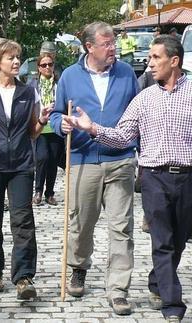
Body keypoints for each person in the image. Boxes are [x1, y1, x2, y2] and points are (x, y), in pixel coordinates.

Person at [63, 35, 192, 322]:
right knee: (162, 242)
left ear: (174, 61)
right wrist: (92, 129)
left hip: (189, 178)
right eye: (150, 58)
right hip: (153, 178)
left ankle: (158, 282)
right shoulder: (143, 99)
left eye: (155, 58)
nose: (150, 63)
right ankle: (172, 305)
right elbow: (122, 136)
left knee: (178, 241)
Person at [49, 21, 139, 316]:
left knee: (121, 227)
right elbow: (57, 113)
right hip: (83, 159)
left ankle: (118, 289)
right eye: (107, 44)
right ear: (90, 47)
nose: (113, 48)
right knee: (81, 223)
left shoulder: (126, 73)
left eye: (113, 42)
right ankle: (78, 267)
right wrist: (60, 124)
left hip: (120, 158)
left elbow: (136, 113)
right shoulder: (70, 77)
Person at [0, 37, 51, 300]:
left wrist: (41, 120)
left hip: (21, 165)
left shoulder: (28, 92)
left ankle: (24, 276)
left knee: (23, 221)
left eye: (17, 57)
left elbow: (33, 133)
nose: (16, 62)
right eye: (10, 58)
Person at [29, 52, 63, 206]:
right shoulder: (33, 84)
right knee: (42, 158)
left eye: (50, 64)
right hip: (40, 126)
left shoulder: (59, 83)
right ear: (39, 68)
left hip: (55, 126)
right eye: (44, 65)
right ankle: (38, 191)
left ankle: (49, 193)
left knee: (53, 160)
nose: (47, 67)